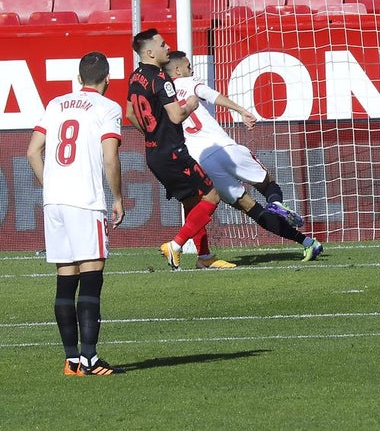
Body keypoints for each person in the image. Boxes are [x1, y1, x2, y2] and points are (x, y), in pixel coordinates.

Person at [163, 50, 323, 261]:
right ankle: (275, 202)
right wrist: (241, 110)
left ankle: (307, 242)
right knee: (267, 183)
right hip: (224, 148)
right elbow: (210, 94)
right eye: (188, 65)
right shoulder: (189, 82)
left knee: (250, 208)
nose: (191, 69)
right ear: (177, 70)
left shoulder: (163, 99)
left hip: (202, 162)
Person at [27, 52, 125, 376]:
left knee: (65, 280)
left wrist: (50, 184)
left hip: (53, 201)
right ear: (107, 79)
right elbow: (110, 158)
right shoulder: (108, 108)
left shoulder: (56, 104)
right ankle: (91, 359)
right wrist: (118, 197)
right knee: (92, 278)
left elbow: (32, 151)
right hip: (85, 201)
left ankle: (72, 361)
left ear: (79, 77)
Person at [125, 28, 230, 270]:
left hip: (154, 153)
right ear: (150, 52)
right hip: (173, 151)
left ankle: (204, 257)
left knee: (193, 202)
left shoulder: (135, 77)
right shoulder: (161, 79)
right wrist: (191, 104)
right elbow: (176, 116)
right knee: (212, 196)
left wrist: (151, 134)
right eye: (162, 45)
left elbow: (130, 113)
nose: (167, 47)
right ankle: (175, 245)